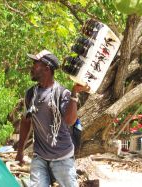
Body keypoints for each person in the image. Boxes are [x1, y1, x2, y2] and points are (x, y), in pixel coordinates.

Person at [15, 49, 89, 187]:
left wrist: (74, 93)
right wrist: (20, 151)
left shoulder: (62, 93)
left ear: (46, 68)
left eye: (35, 64)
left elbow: (69, 121)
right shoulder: (31, 94)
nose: (32, 68)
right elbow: (26, 121)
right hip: (40, 157)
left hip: (63, 158)